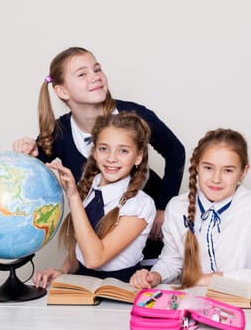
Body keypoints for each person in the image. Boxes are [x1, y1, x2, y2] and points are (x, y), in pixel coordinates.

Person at [12, 47, 185, 255]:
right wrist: (27, 152)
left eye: (97, 69)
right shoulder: (59, 133)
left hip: (149, 239)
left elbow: (176, 152)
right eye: (82, 74)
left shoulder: (135, 115)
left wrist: (163, 208)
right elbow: (29, 172)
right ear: (62, 90)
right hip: (96, 244)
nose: (95, 77)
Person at [129, 128, 251, 289]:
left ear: (243, 172)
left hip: (241, 305)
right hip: (193, 304)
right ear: (197, 166)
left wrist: (212, 279)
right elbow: (171, 261)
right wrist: (154, 276)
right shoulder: (177, 207)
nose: (216, 179)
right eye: (208, 168)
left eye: (228, 170)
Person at [33, 111, 156, 287]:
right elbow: (82, 244)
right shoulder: (90, 186)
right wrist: (64, 271)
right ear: (95, 152)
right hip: (83, 286)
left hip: (118, 290)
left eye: (123, 151)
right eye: (103, 148)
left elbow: (94, 259)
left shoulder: (140, 205)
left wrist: (73, 196)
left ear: (138, 157)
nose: (111, 158)